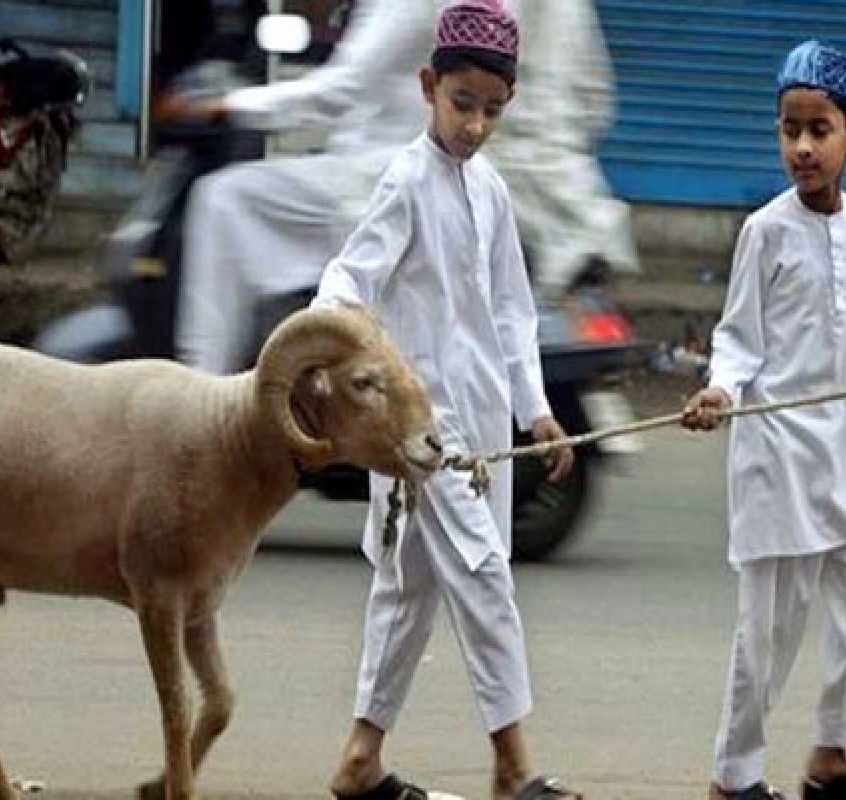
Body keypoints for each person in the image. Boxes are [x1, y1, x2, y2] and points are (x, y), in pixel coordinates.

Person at [308, 4, 582, 799]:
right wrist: (334, 355)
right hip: (420, 432)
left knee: (408, 593)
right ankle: (513, 766)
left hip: (483, 424)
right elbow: (347, 279)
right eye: (462, 104)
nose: (474, 124)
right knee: (485, 575)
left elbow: (512, 313)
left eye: (492, 110)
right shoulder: (405, 179)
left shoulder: (491, 191)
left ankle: (361, 759)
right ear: (429, 88)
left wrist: (536, 411)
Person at [681, 40, 846, 800]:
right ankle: (735, 778)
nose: (800, 147)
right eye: (789, 129)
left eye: (818, 130)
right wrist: (721, 392)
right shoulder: (765, 230)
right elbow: (737, 338)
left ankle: (831, 759)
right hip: (776, 458)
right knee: (769, 635)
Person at [170, 0, 638, 375]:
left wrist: (228, 106)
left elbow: (341, 90)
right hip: (548, 197)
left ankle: (201, 398)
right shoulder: (571, 8)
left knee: (224, 199)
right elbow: (596, 101)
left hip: (393, 177)